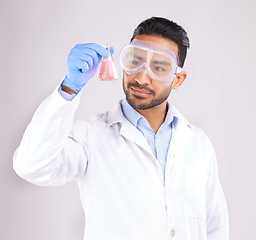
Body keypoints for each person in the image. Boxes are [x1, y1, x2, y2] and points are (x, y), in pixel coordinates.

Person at [13, 17, 229, 240]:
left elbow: (215, 228)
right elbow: (31, 166)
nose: (142, 77)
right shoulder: (91, 136)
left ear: (178, 79)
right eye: (134, 62)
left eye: (159, 68)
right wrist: (70, 87)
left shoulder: (197, 142)